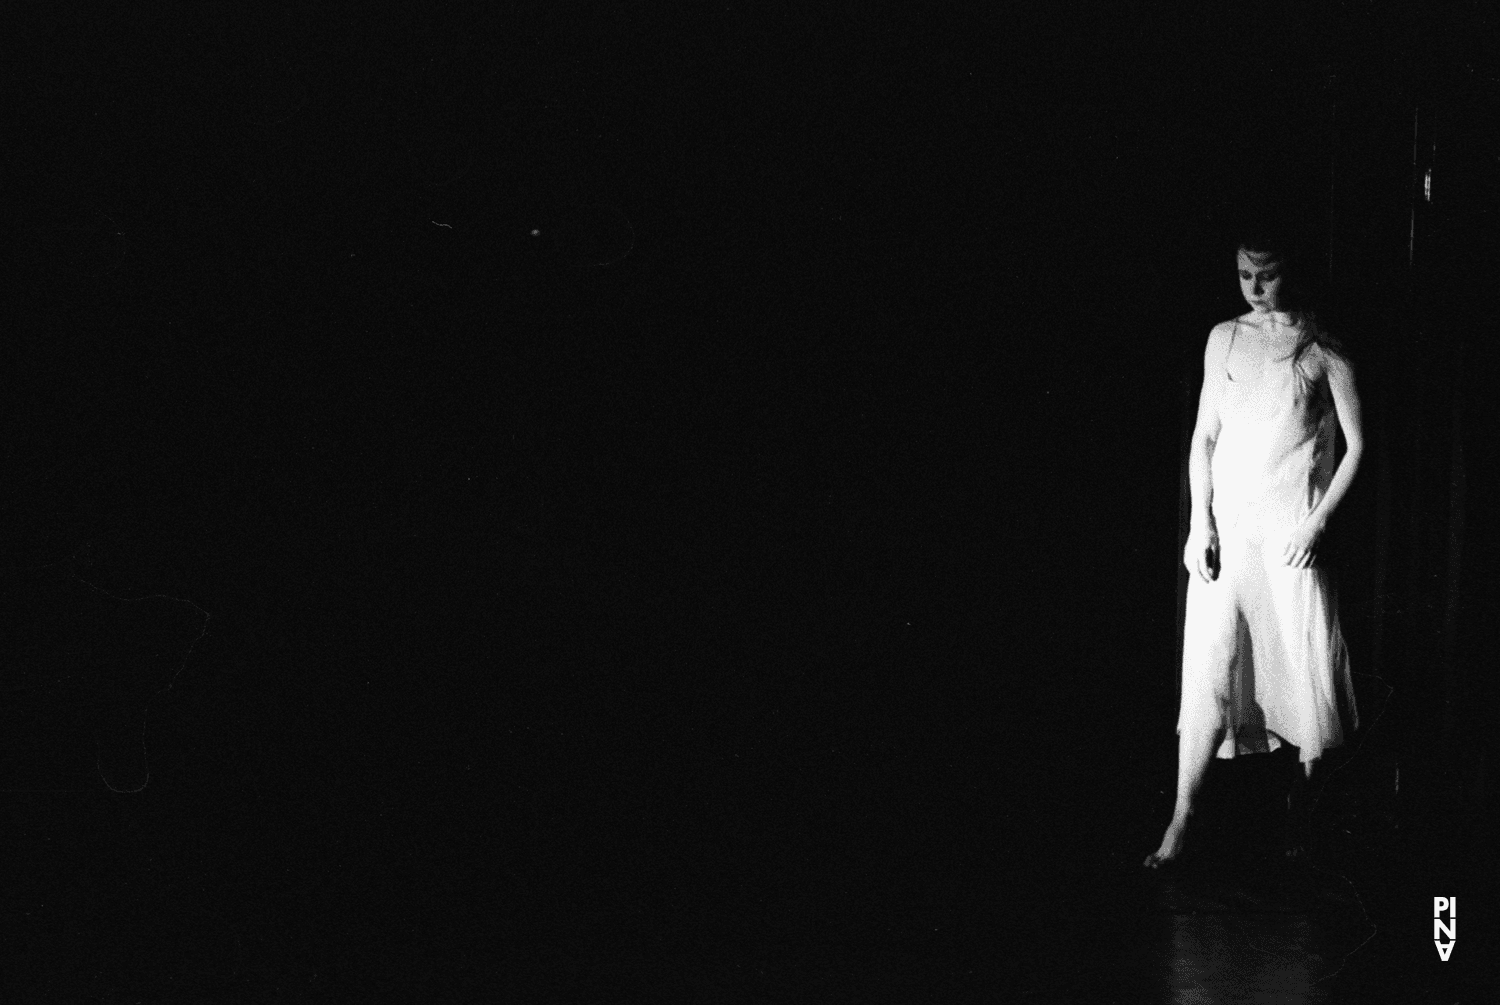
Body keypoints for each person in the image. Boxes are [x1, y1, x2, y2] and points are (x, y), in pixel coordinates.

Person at [1144, 232, 1363, 869]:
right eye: (1244, 276)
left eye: (1266, 276)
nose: (1255, 289)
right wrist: (1199, 525)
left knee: (1299, 670)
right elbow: (1203, 437)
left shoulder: (1323, 348)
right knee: (1211, 671)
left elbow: (1359, 446)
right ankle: (1180, 823)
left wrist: (1317, 524)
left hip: (1290, 533)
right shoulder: (1224, 337)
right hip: (1231, 533)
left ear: (1292, 273)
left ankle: (1303, 811)